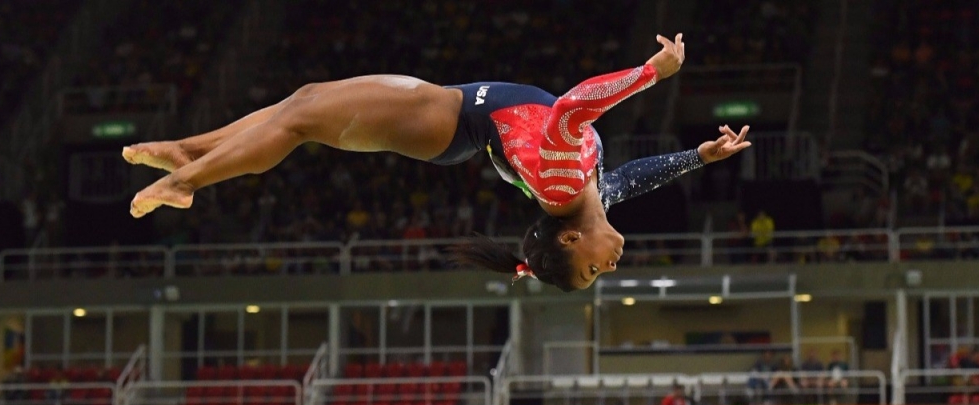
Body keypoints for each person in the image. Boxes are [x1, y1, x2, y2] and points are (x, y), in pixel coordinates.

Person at [124, 34, 750, 291]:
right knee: (304, 104)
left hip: (449, 119)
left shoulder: (561, 186)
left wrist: (649, 74)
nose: (607, 268)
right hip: (454, 116)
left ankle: (187, 181)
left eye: (589, 272)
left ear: (572, 238)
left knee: (300, 121)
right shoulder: (589, 197)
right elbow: (627, 181)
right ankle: (192, 150)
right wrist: (701, 155)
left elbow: (567, 112)